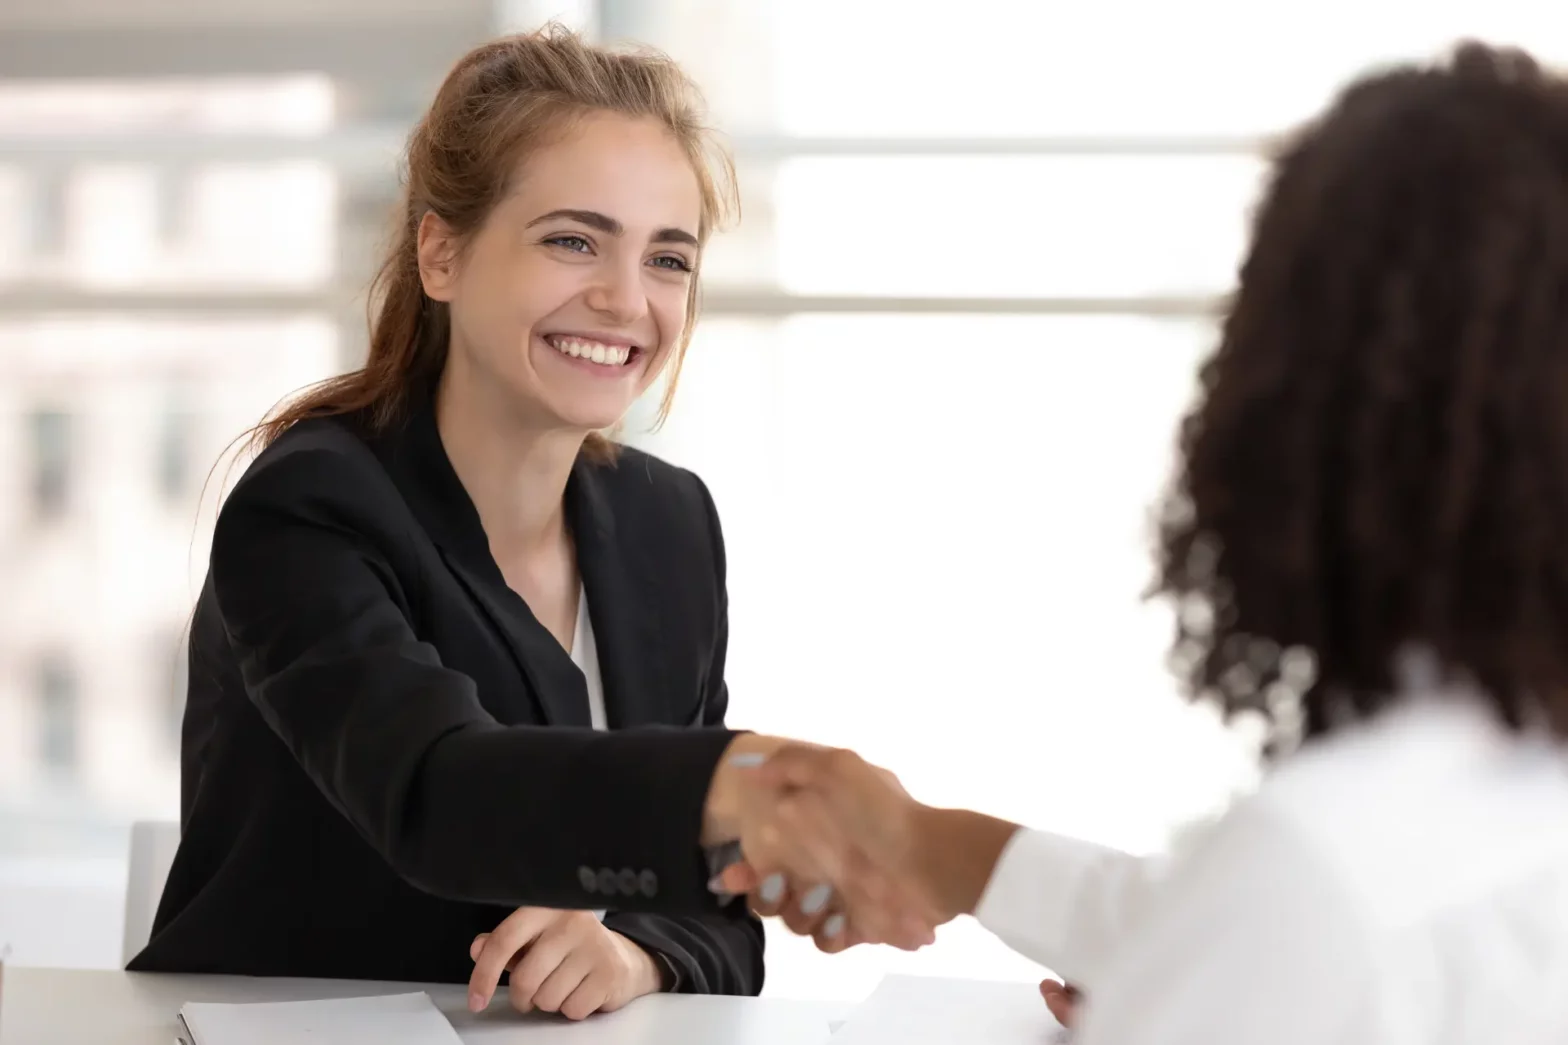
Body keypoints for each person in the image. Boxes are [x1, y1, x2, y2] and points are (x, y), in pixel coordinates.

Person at [721, 41, 1568, 1042]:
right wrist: (921, 842)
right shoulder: (1483, 786)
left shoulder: (1316, 871)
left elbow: (1269, 914)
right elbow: (1209, 916)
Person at [126, 27, 930, 1019]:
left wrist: (633, 954)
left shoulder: (665, 521)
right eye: (571, 240)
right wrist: (744, 787)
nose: (626, 299)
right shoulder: (307, 509)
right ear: (440, 253)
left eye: (667, 257)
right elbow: (438, 788)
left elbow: (717, 914)